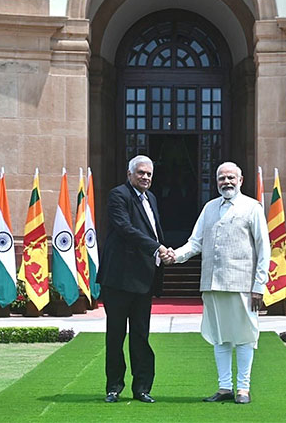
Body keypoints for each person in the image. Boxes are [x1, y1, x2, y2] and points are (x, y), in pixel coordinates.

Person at [165, 161, 270, 405]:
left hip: (243, 284)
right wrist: (175, 255)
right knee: (219, 337)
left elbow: (264, 249)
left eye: (231, 178)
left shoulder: (252, 208)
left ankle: (243, 388)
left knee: (245, 336)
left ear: (241, 180)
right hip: (212, 284)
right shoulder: (210, 208)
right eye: (222, 178)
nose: (227, 182)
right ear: (216, 181)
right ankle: (225, 387)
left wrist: (259, 286)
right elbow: (195, 242)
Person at [97, 155, 169, 404]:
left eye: (149, 174)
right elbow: (125, 228)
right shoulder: (119, 195)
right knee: (115, 335)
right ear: (130, 174)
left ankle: (142, 388)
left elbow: (152, 231)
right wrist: (157, 247)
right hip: (118, 278)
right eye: (141, 173)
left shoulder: (152, 199)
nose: (146, 177)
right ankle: (114, 387)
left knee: (141, 335)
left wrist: (162, 251)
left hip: (143, 279)